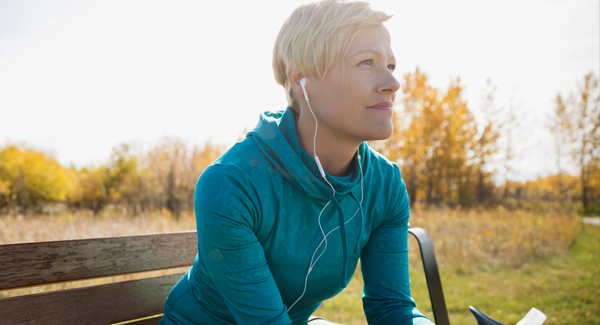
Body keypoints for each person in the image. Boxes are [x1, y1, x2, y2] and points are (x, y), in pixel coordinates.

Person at [159, 1, 434, 324]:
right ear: (301, 79)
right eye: (366, 62)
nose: (392, 83)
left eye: (390, 65)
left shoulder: (384, 185)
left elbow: (392, 308)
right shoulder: (232, 185)